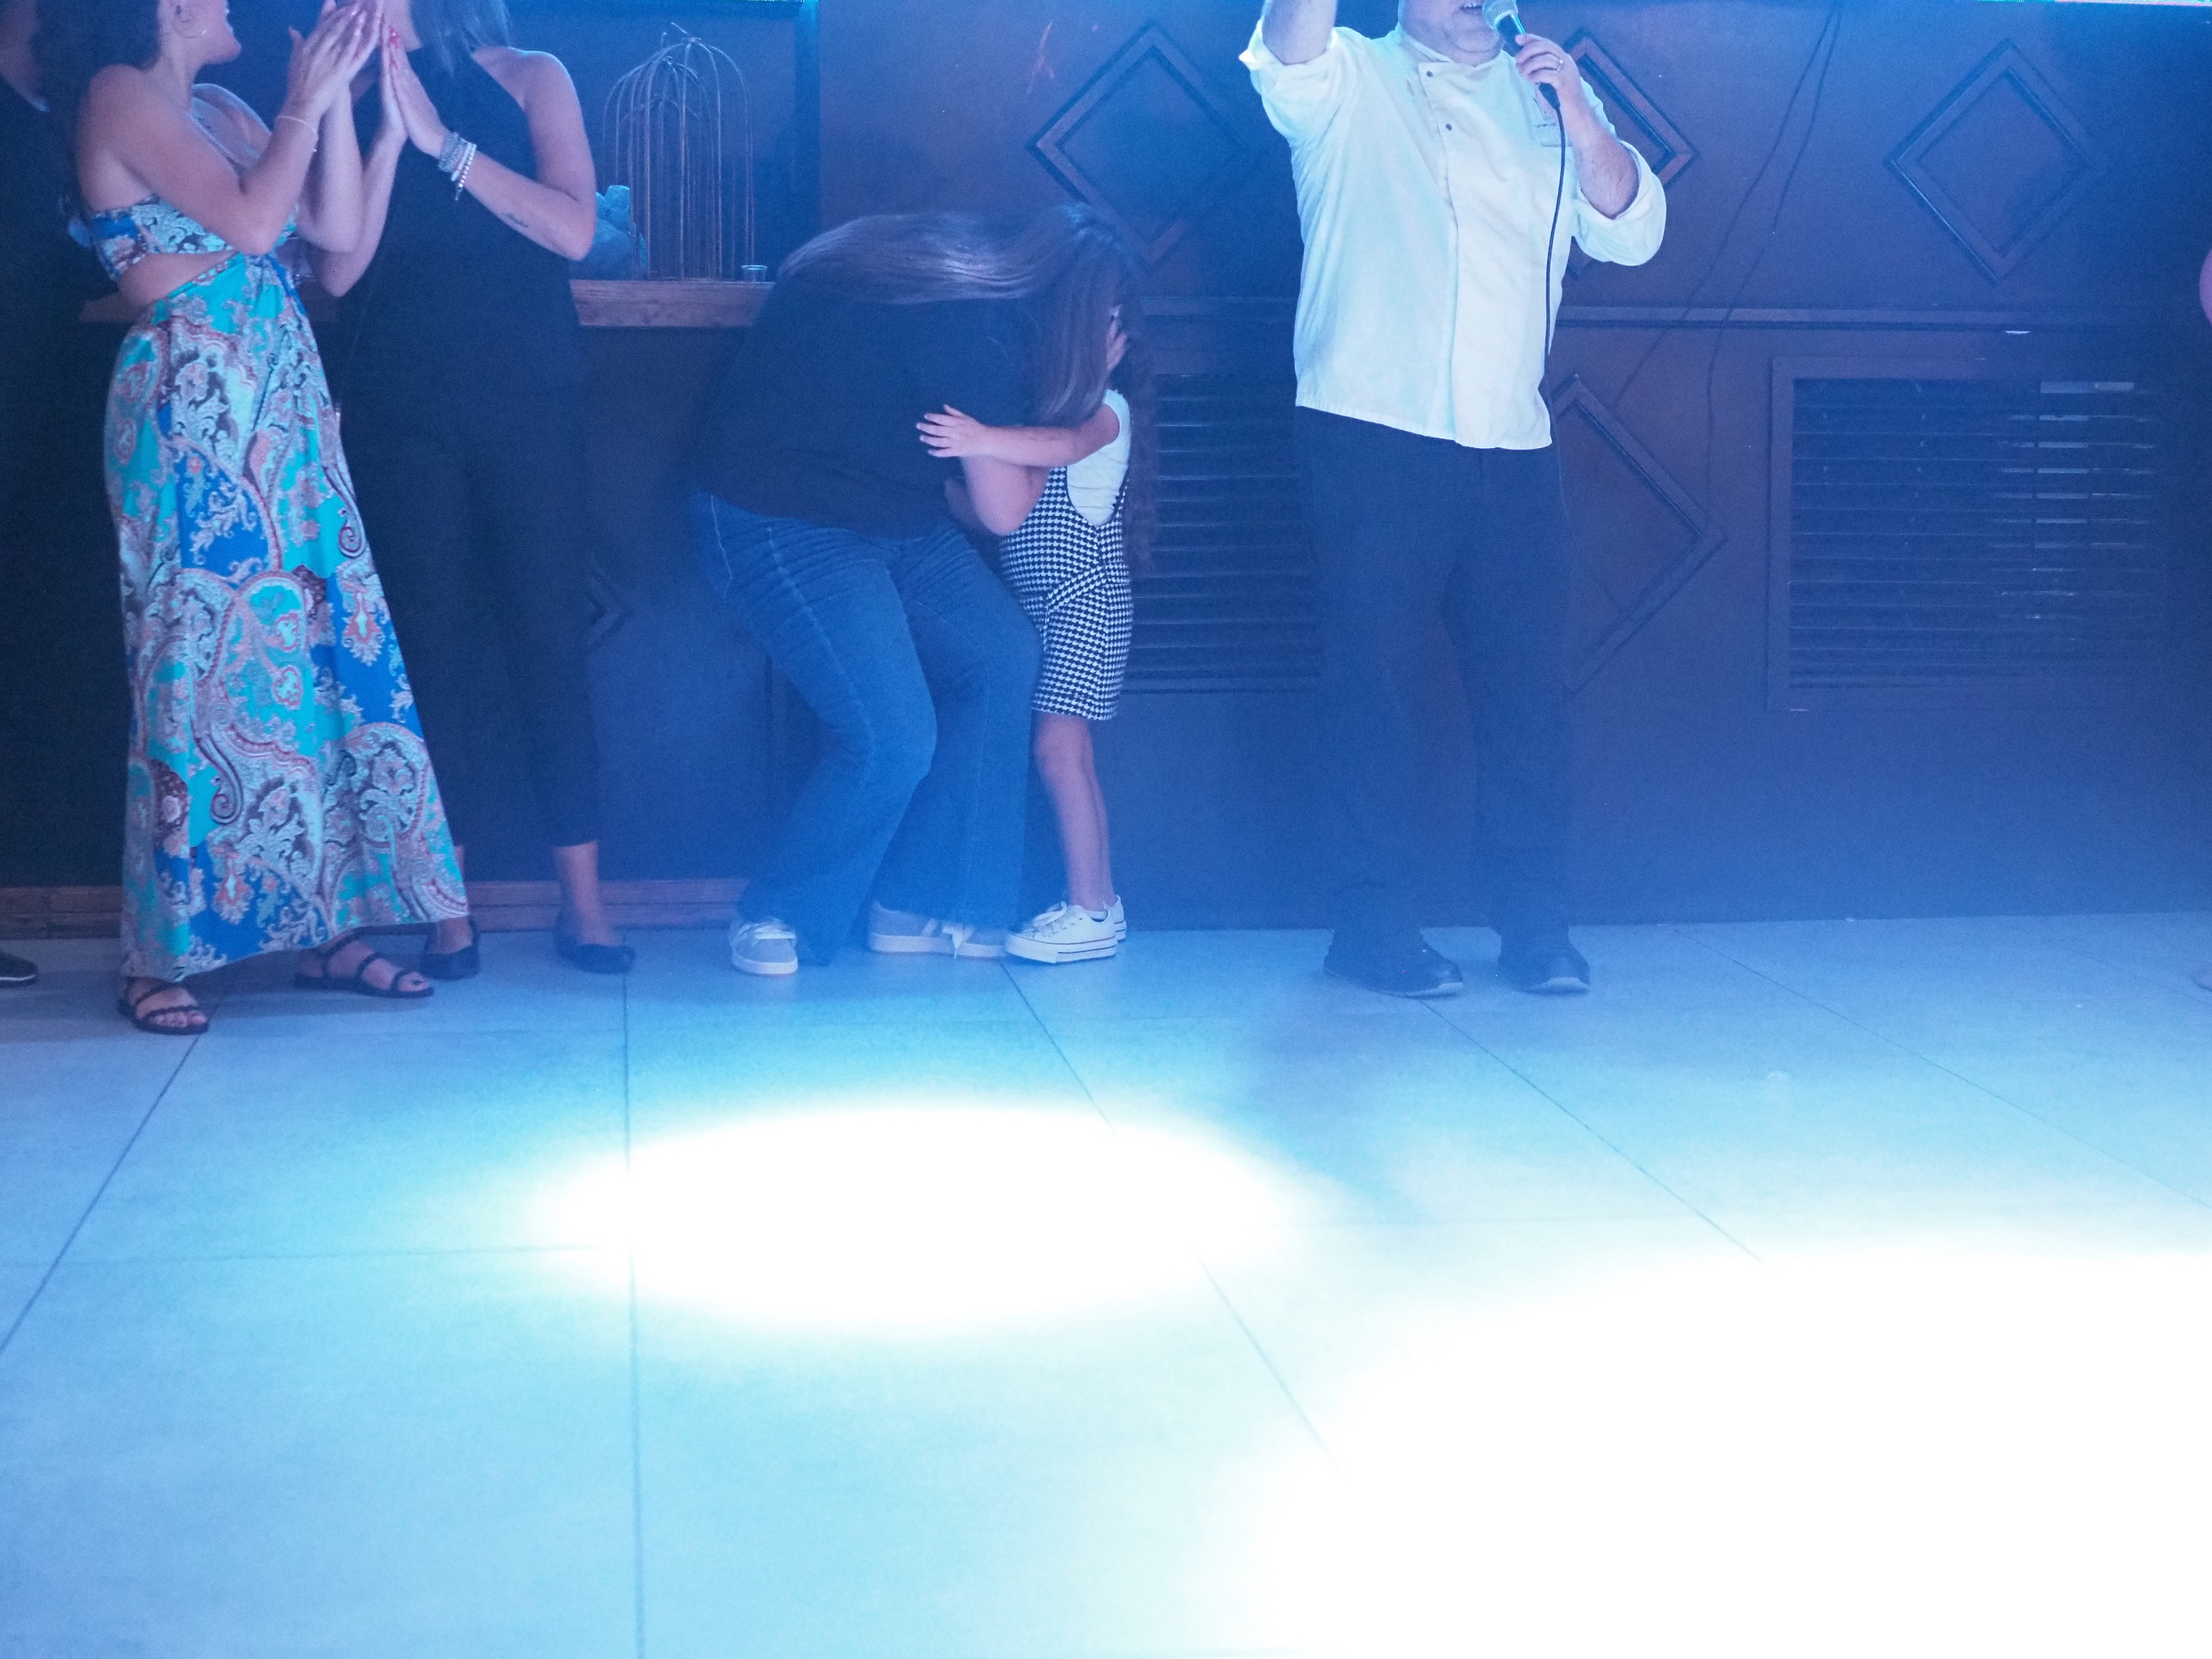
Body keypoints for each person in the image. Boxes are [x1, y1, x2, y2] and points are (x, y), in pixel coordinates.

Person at [41, 0, 468, 1033]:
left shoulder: (229, 110)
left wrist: (363, 119)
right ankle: (157, 956)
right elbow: (248, 224)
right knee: (192, 663)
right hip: (191, 402)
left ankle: (329, 927)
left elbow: (338, 249)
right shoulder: (120, 94)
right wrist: (304, 106)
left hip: (280, 406)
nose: (232, 2)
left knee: (312, 659)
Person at [1246, 0, 1665, 998]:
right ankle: (1371, 926)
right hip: (1371, 431)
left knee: (1527, 701)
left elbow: (1634, 232)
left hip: (1512, 440)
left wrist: (1580, 116)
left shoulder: (1547, 93)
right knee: (1374, 696)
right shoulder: (1350, 75)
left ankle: (1536, 925)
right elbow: (1288, 52)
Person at [688, 205, 1140, 977]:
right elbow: (1004, 513)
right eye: (1110, 317)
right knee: (892, 736)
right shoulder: (987, 334)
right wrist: (1083, 389)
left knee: (1002, 655)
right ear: (1075, 313)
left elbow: (966, 493)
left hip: (894, 518)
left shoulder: (946, 260)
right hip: (777, 518)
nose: (1115, 333)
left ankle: (923, 902)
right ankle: (778, 910)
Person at [313, 0, 629, 978]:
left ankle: (585, 904)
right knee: (428, 655)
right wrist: (366, 121)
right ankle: (445, 907)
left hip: (529, 400)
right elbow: (337, 271)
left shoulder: (530, 73)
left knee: (549, 643)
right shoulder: (344, 92)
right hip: (399, 405)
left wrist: (442, 143)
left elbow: (573, 230)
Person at [915, 303, 1155, 965]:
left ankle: (1089, 908)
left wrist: (976, 438)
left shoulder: (1105, 410)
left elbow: (1065, 447)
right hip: (1049, 609)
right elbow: (996, 512)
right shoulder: (1044, 426)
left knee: (1058, 753)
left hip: (1085, 605)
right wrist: (946, 479)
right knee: (1065, 753)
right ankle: (1100, 901)